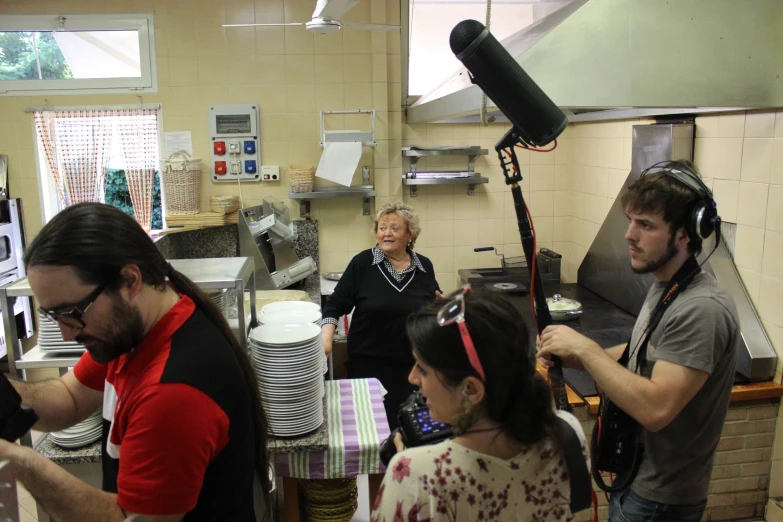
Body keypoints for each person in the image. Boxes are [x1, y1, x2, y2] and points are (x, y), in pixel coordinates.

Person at [0, 203, 270, 522]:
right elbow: (68, 398)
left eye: (72, 313)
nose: (66, 334)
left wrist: (19, 462)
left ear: (130, 281)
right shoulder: (135, 332)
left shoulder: (173, 392)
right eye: (52, 315)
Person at [537, 160, 739, 522]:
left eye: (645, 225)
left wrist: (585, 348)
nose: (629, 235)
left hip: (661, 499)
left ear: (686, 234)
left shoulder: (701, 309)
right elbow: (641, 354)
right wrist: (576, 357)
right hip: (636, 478)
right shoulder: (666, 285)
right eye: (631, 221)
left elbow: (656, 409)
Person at [370, 287, 588, 522]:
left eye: (423, 369)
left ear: (471, 389)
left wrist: (412, 470)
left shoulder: (414, 475)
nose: (413, 378)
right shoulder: (567, 433)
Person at [322, 201, 441, 429]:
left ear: (410, 234)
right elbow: (335, 305)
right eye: (382, 227)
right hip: (368, 367)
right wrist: (325, 339)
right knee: (369, 429)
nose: (386, 233)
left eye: (395, 228)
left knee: (408, 430)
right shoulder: (363, 263)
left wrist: (443, 308)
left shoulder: (424, 266)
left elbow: (431, 307)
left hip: (411, 368)